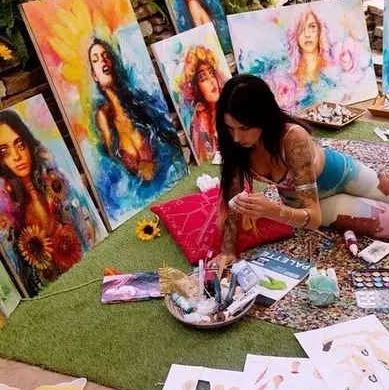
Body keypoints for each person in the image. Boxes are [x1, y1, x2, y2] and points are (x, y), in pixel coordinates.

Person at [215, 75, 389, 262]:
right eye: (230, 128)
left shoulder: (292, 138)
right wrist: (227, 251)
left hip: (343, 173)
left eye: (244, 128)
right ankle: (367, 206)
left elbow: (309, 217)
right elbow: (312, 218)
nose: (236, 137)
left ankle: (369, 202)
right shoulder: (234, 145)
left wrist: (272, 211)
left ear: (263, 118)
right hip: (309, 203)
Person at [0, 110, 93, 294]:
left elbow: (86, 232)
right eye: (4, 152)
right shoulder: (12, 212)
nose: (16, 156)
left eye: (20, 145)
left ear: (29, 143)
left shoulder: (54, 185)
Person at [89, 38, 178, 181]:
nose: (103, 61)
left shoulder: (136, 100)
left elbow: (163, 135)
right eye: (96, 60)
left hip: (166, 171)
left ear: (113, 63)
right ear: (94, 76)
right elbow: (112, 160)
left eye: (106, 56)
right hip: (135, 184)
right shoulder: (103, 115)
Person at [178, 45, 224, 162]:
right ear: (196, 88)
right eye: (203, 77)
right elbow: (207, 155)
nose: (211, 80)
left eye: (212, 73)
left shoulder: (229, 107)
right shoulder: (201, 121)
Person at [287, 8, 331, 88]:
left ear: (319, 30)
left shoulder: (331, 68)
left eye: (312, 27)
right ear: (295, 34)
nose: (307, 34)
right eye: (301, 28)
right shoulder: (290, 73)